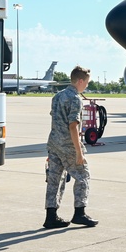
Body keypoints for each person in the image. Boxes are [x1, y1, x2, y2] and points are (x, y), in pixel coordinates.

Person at [44, 65, 97, 228]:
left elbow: (55, 121)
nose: (86, 86)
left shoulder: (57, 96)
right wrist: (79, 152)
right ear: (80, 81)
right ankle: (79, 213)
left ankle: (51, 216)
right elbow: (73, 125)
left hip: (54, 143)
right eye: (86, 82)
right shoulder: (75, 98)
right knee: (83, 176)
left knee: (55, 179)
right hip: (68, 145)